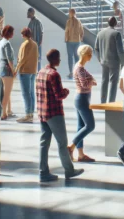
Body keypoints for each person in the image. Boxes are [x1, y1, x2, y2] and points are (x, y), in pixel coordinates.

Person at [37, 49, 84, 182]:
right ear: (55, 59)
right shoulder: (54, 75)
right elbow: (59, 95)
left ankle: (43, 172)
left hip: (42, 112)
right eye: (59, 58)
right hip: (54, 113)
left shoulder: (40, 72)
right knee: (62, 143)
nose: (60, 60)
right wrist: (66, 91)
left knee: (44, 143)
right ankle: (69, 170)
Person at [68, 45, 97, 163]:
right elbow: (85, 84)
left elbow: (89, 81)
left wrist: (91, 81)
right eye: (89, 54)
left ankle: (80, 154)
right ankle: (71, 146)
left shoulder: (80, 67)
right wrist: (91, 82)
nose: (91, 56)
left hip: (82, 98)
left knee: (81, 126)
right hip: (82, 98)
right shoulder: (80, 68)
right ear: (84, 54)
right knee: (90, 125)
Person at [94, 17, 124, 103]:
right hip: (114, 62)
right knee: (113, 83)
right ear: (115, 23)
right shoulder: (116, 34)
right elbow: (120, 50)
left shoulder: (100, 33)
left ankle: (103, 101)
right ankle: (111, 102)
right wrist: (123, 62)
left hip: (104, 61)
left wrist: (100, 59)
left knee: (104, 81)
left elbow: (96, 48)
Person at [14, 28, 39, 124]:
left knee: (26, 93)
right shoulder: (34, 44)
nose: (21, 36)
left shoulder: (25, 44)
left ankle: (28, 114)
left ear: (24, 35)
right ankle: (31, 114)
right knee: (31, 93)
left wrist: (16, 69)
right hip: (33, 71)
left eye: (22, 34)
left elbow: (22, 58)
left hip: (25, 71)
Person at [0, 25, 16, 120]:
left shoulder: (1, 42)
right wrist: (13, 71)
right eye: (12, 32)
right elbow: (10, 59)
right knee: (7, 92)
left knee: (5, 91)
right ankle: (3, 113)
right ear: (9, 33)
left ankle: (8, 110)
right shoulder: (7, 44)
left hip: (1, 67)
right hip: (7, 69)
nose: (13, 34)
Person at [65, 8, 84, 79]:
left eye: (70, 13)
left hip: (71, 42)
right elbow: (82, 30)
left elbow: (66, 31)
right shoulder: (76, 21)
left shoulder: (70, 21)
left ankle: (72, 72)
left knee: (71, 57)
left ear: (72, 13)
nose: (69, 14)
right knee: (76, 57)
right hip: (75, 41)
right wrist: (81, 37)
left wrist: (66, 39)